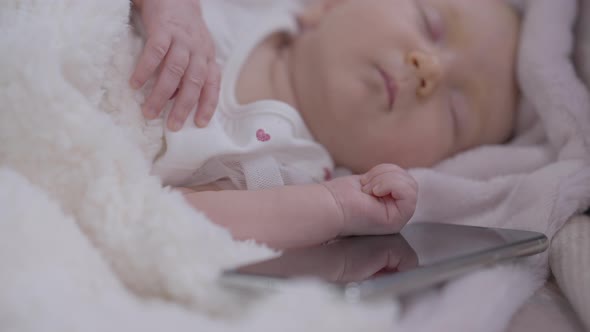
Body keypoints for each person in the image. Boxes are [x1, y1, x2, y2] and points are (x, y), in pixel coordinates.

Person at [129, 0, 520, 249]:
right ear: (329, 5)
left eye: (455, 111)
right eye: (430, 24)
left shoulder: (295, 180)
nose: (430, 71)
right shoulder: (253, 9)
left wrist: (335, 207)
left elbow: (167, 219)